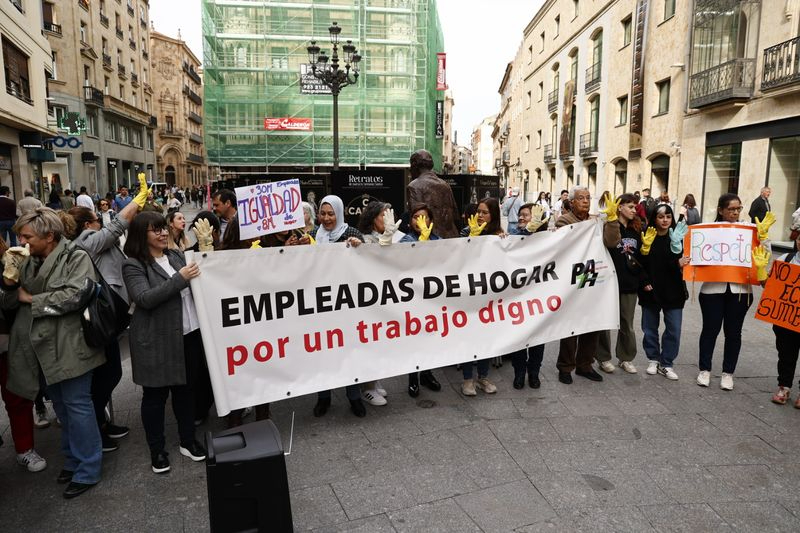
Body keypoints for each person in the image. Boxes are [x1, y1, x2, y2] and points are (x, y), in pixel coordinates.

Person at [0, 207, 105, 498]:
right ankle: (72, 460)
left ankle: (88, 468)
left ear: (49, 236)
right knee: (61, 407)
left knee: (78, 406)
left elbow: (76, 295)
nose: (20, 240)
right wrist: (8, 281)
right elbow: (9, 303)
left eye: (26, 235)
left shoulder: (76, 256)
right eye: (19, 234)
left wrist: (31, 298)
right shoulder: (26, 259)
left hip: (70, 345)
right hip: (40, 349)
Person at [122, 211, 208, 474]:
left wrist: (206, 250)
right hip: (156, 340)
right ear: (141, 235)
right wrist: (180, 278)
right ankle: (157, 449)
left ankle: (187, 440)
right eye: (154, 230)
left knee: (186, 390)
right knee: (155, 397)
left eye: (162, 228)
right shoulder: (133, 264)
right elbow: (145, 298)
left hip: (189, 333)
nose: (162, 233)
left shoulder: (175, 256)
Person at [697, 193, 774, 390]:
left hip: (741, 289)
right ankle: (704, 370)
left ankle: (727, 373)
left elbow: (765, 255)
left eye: (738, 209)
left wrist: (763, 238)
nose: (735, 212)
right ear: (721, 210)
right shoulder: (709, 230)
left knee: (734, 332)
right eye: (731, 209)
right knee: (710, 330)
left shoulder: (750, 229)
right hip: (713, 289)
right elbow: (697, 252)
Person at [309, 195, 368, 418]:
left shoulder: (351, 233)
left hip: (346, 304)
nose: (326, 218)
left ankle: (354, 397)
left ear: (339, 213)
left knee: (349, 351)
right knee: (323, 352)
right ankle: (323, 398)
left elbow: (367, 263)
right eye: (323, 213)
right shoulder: (314, 235)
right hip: (321, 305)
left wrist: (360, 248)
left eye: (330, 213)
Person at [0, 234, 47, 474]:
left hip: (7, 340)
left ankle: (24, 448)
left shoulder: (10, 257)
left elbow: (10, 301)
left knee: (16, 395)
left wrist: (10, 281)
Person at [555, 186, 603, 384]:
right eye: (581, 198)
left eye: (588, 198)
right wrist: (591, 226)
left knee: (591, 324)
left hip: (592, 276)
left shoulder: (596, 221)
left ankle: (585, 365)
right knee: (570, 325)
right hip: (571, 279)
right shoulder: (564, 220)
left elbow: (609, 242)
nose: (585, 201)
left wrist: (612, 222)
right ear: (572, 202)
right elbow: (563, 245)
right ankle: (565, 367)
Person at [638, 204, 690, 380]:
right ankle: (653, 359)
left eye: (668, 216)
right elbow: (640, 263)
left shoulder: (678, 236)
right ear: (654, 218)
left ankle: (666, 363)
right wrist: (644, 280)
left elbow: (683, 261)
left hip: (673, 290)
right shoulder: (647, 236)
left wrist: (681, 261)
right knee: (649, 328)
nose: (665, 220)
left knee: (674, 329)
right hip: (650, 289)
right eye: (661, 217)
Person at [458, 197, 503, 396]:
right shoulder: (466, 231)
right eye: (478, 211)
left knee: (486, 337)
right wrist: (472, 240)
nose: (480, 216)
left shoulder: (499, 234)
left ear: (493, 215)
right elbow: (459, 258)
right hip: (469, 293)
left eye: (485, 212)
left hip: (489, 294)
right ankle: (468, 380)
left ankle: (483, 377)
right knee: (469, 336)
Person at [398, 203, 444, 397]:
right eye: (416, 217)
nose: (419, 221)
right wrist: (420, 246)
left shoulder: (439, 240)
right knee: (413, 338)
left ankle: (426, 373)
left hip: (431, 299)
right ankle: (413, 378)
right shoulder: (404, 240)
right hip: (411, 299)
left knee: (429, 338)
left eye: (424, 217)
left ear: (431, 221)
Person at [596, 193, 643, 375]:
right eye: (630, 207)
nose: (634, 210)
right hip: (609, 281)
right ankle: (603, 357)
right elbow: (610, 243)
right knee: (605, 321)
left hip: (629, 282)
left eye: (635, 207)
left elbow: (639, 256)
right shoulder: (608, 225)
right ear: (620, 207)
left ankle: (626, 357)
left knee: (627, 323)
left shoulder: (636, 229)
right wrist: (612, 221)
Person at [509, 203, 549, 389]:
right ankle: (519, 372)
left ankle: (534, 372)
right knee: (518, 338)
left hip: (539, 298)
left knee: (537, 338)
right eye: (521, 215)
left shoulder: (548, 239)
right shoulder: (512, 237)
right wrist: (526, 233)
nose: (522, 218)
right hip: (517, 298)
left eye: (527, 215)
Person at [761, 234, 800, 405]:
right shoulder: (786, 259)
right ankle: (784, 387)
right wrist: (764, 273)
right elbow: (770, 286)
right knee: (786, 353)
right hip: (787, 319)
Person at [406, 149, 460, 238]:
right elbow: (455, 217)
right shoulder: (445, 185)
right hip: (451, 238)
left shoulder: (414, 186)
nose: (410, 169)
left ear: (414, 165)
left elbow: (417, 221)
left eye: (411, 165)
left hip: (431, 240)